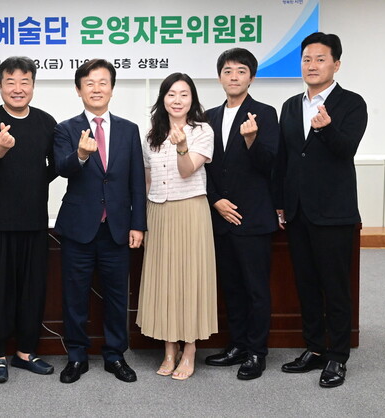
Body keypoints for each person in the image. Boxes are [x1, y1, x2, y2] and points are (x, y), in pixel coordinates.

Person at [276, 32, 367, 388]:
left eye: (320, 59)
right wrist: (280, 203)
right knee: (307, 284)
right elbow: (285, 159)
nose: (311, 65)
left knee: (336, 287)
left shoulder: (351, 103)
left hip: (333, 212)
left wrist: (327, 129)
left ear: (336, 64)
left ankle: (338, 357)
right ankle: (314, 348)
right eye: (306, 59)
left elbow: (346, 150)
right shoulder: (290, 105)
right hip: (298, 212)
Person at [54, 59, 146, 384]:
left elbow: (137, 182)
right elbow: (62, 168)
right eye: (89, 83)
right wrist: (80, 155)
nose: (96, 89)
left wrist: (138, 224)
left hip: (117, 228)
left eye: (103, 82)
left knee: (118, 297)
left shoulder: (129, 129)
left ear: (112, 89)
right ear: (79, 90)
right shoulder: (65, 128)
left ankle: (115, 355)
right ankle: (76, 356)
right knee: (75, 296)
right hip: (78, 228)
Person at [0, 56, 57, 383]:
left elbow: (54, 166)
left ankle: (25, 352)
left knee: (31, 290)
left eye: (25, 82)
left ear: (33, 86)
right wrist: (0, 146)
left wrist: (35, 180)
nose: (18, 88)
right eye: (11, 82)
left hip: (34, 222)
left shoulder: (47, 122)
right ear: (0, 86)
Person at [203, 49, 279, 380]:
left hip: (253, 218)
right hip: (220, 217)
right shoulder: (208, 117)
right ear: (219, 76)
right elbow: (204, 168)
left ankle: (256, 352)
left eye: (241, 71)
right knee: (231, 287)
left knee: (255, 289)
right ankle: (236, 345)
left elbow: (270, 165)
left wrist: (251, 140)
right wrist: (215, 201)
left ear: (252, 77)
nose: (234, 76)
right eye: (228, 70)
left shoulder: (265, 113)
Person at [136, 72, 216, 381]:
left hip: (191, 211)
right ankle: (169, 349)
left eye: (184, 94)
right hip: (158, 211)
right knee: (164, 279)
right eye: (171, 94)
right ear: (163, 99)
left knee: (190, 278)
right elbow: (147, 180)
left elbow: (186, 171)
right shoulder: (151, 135)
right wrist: (142, 220)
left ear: (192, 99)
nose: (177, 100)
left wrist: (182, 146)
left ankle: (190, 348)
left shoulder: (202, 130)